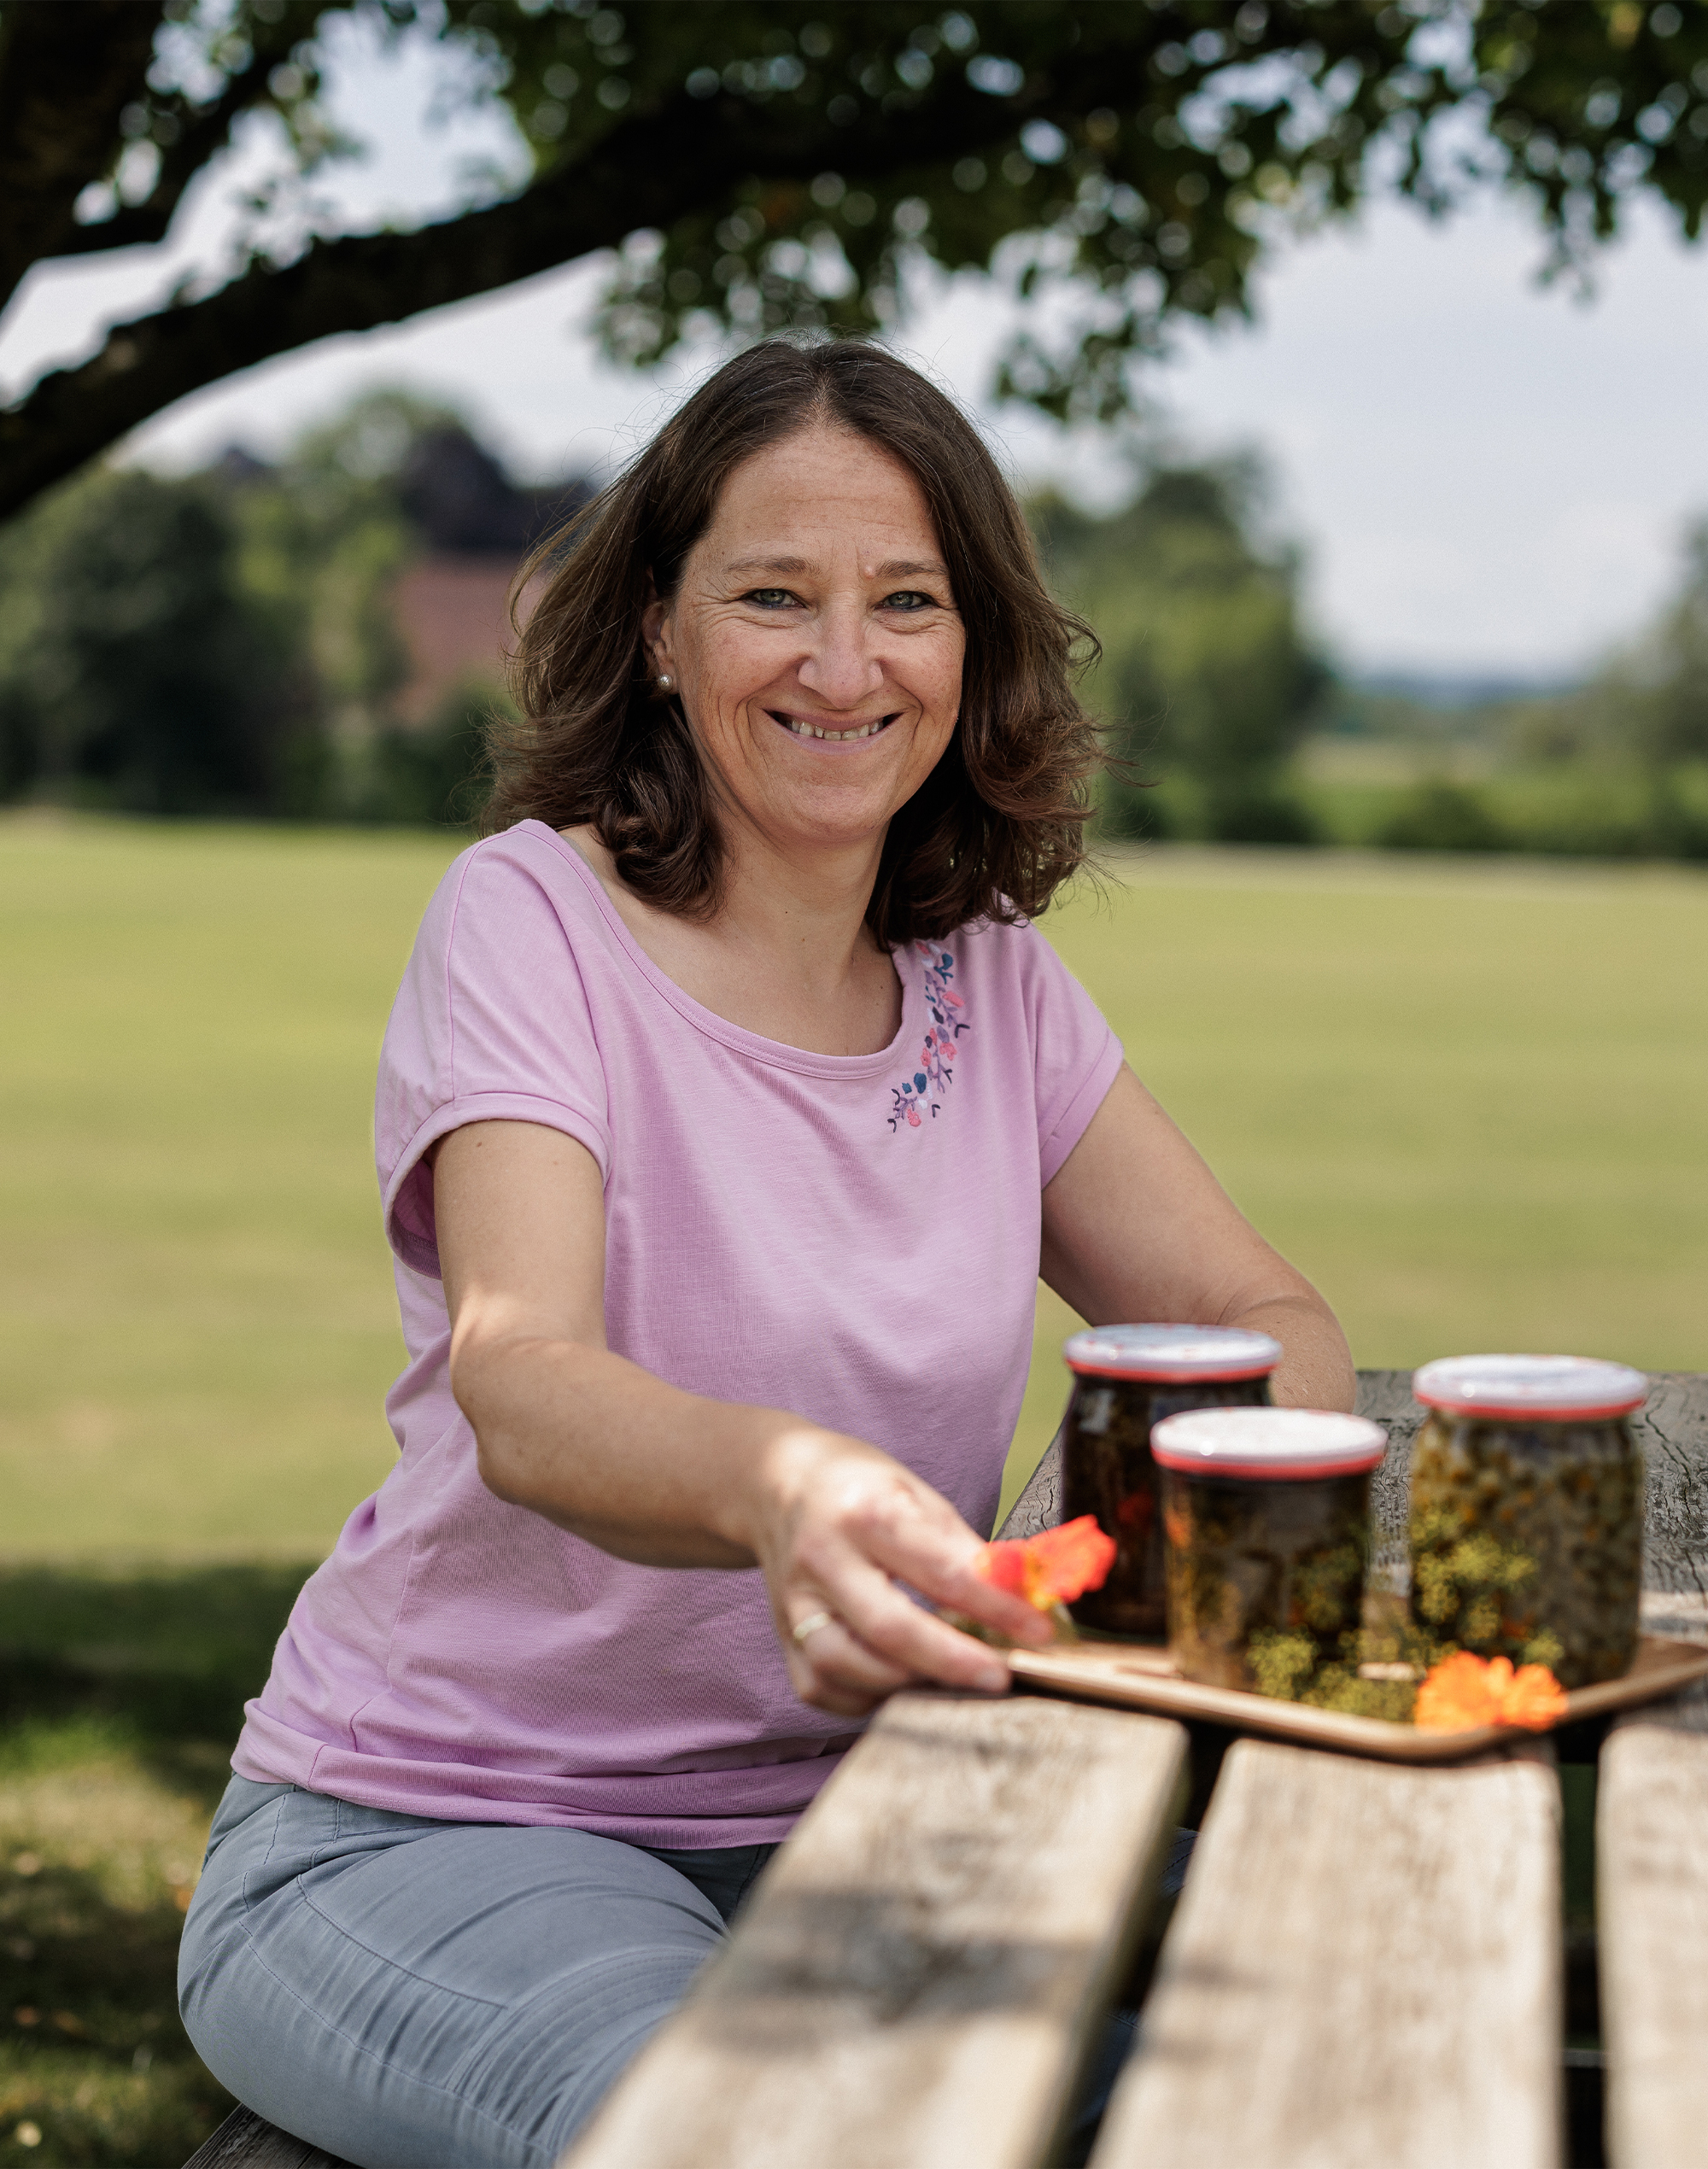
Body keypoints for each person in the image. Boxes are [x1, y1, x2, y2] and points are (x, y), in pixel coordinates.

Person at [178, 337, 1354, 2169]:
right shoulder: (530, 918)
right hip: (441, 1830)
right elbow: (521, 1377)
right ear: (661, 628)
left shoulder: (992, 983)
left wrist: (1207, 1532)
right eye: (773, 597)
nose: (844, 662)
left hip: (882, 1829)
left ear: (971, 647)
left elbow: (1249, 1315)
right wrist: (785, 1486)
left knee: (1328, 2056)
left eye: (907, 601)